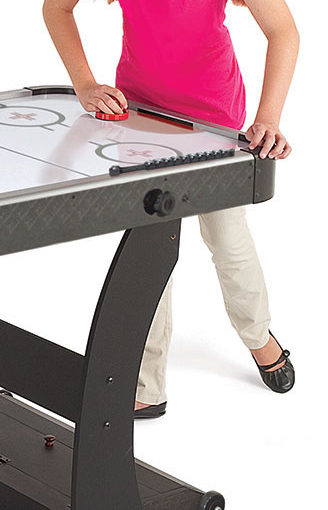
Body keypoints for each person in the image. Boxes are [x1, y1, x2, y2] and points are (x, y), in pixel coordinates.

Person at [43, 0, 298, 418]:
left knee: (229, 242)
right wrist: (85, 84)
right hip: (143, 119)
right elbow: (57, 8)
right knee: (150, 249)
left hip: (214, 121)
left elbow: (284, 32)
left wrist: (267, 118)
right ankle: (146, 383)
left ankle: (258, 338)